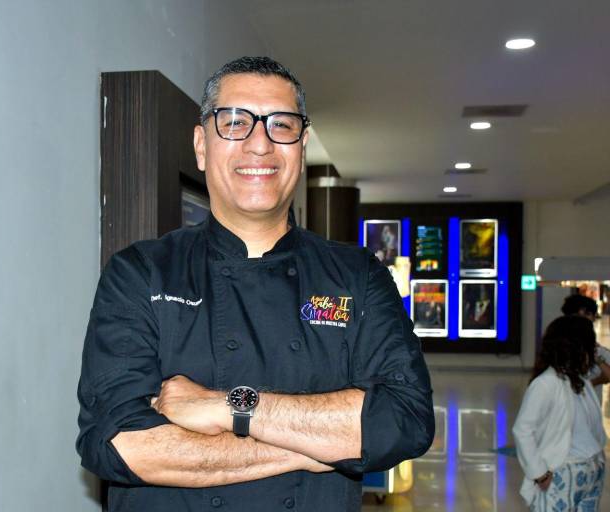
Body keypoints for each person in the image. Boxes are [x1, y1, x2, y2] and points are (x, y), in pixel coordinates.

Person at [76, 56, 434, 512]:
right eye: (235, 122)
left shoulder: (357, 275)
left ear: (301, 147)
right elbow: (120, 444)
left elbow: (405, 420)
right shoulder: (140, 272)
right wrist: (320, 445)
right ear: (201, 145)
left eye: (281, 125)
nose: (260, 144)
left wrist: (227, 406)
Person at [513, 315, 607, 511]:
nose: (593, 348)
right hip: (564, 472)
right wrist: (539, 473)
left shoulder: (580, 379)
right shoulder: (545, 383)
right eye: (590, 344)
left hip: (591, 468)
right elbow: (523, 430)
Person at [562, 294, 610, 402]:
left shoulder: (597, 350)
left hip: (591, 407)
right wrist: (596, 381)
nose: (583, 320)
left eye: (587, 314)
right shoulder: (558, 348)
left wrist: (598, 361)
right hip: (566, 407)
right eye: (578, 315)